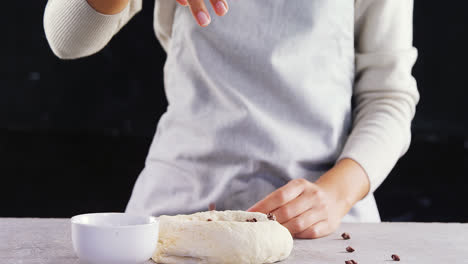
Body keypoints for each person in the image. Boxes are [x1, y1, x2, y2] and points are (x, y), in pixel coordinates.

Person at [43, 0, 419, 238]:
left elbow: (389, 96)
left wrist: (335, 195)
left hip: (320, 221)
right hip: (177, 206)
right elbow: (67, 38)